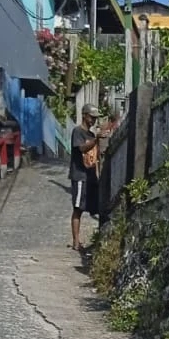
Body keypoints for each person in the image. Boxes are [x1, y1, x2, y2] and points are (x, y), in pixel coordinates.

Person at [69, 106, 99, 252]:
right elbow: (81, 148)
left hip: (91, 175)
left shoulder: (92, 134)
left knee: (94, 208)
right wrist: (96, 141)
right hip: (79, 175)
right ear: (84, 115)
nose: (93, 120)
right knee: (78, 208)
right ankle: (76, 242)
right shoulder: (78, 132)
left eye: (95, 118)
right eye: (91, 117)